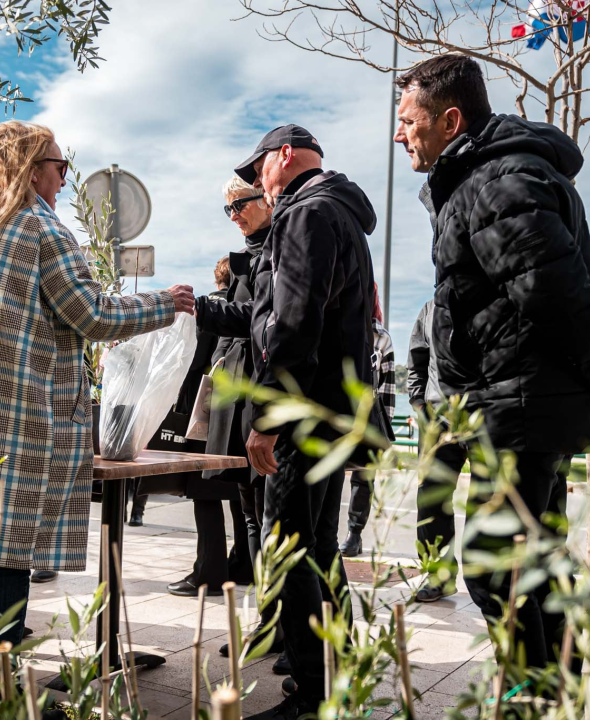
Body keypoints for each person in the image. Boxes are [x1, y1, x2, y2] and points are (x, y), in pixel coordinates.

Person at [394, 54, 590, 675]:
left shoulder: (496, 182)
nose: (399, 134)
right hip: (512, 406)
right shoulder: (483, 179)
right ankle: (559, 690)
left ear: (450, 120)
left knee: (494, 567)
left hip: (520, 409)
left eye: (408, 120)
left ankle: (536, 698)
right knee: (531, 567)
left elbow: (559, 295)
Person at [0, 120, 195, 654]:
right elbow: (90, 313)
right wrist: (163, 303)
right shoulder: (40, 227)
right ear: (31, 169)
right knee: (3, 547)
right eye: (59, 166)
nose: (65, 178)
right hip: (13, 421)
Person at [198, 125, 381, 719]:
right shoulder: (340, 213)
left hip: (302, 412)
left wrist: (268, 417)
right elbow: (275, 311)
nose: (255, 185)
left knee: (291, 547)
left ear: (283, 157)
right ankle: (339, 669)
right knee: (320, 547)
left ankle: (312, 694)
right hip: (333, 409)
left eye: (255, 175)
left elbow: (294, 323)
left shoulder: (306, 214)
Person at [200, 178, 282, 656]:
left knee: (273, 520)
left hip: (266, 401)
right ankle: (266, 623)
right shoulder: (248, 256)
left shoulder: (281, 245)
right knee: (251, 516)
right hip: (243, 400)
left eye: (239, 205)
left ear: (265, 198)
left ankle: (281, 625)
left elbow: (262, 323)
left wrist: (207, 309)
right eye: (226, 209)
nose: (234, 216)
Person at [165, 254, 252, 598]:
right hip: (240, 412)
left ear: (219, 279)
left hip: (205, 415)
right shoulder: (249, 305)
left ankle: (209, 571)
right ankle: (244, 564)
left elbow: (193, 362)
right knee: (241, 497)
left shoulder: (214, 306)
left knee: (206, 493)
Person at [407, 299, 465, 603]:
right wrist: (419, 403)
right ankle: (439, 576)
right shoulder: (429, 308)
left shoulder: (497, 296)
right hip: (437, 418)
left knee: (492, 500)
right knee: (430, 499)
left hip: (483, 414)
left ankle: (498, 582)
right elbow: (417, 358)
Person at [339, 282, 396, 558]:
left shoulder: (381, 337)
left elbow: (387, 386)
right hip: (338, 409)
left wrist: (385, 429)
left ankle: (354, 533)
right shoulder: (336, 324)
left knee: (364, 475)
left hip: (368, 412)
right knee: (332, 470)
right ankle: (325, 530)